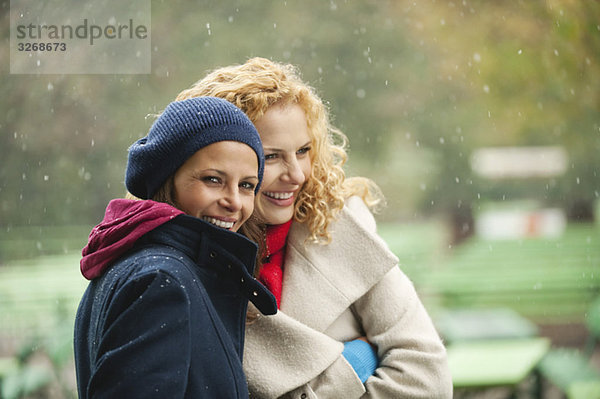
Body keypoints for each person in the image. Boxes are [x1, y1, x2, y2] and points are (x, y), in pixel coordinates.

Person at [176, 58, 453, 398]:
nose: (296, 175)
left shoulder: (341, 223)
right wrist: (354, 364)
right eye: (272, 156)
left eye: (304, 151)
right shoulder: (183, 262)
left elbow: (427, 377)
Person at [73, 96, 277, 398]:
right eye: (213, 179)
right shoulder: (162, 281)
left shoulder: (136, 262)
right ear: (168, 179)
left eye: (247, 185)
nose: (234, 201)